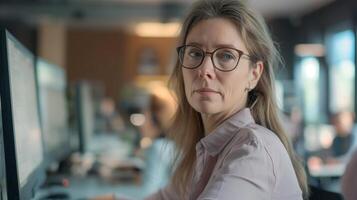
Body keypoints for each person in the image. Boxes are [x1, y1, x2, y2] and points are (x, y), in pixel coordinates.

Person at [144, 0, 308, 199]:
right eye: (195, 53)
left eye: (226, 56)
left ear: (254, 74)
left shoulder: (253, 151)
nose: (204, 70)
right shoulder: (206, 150)